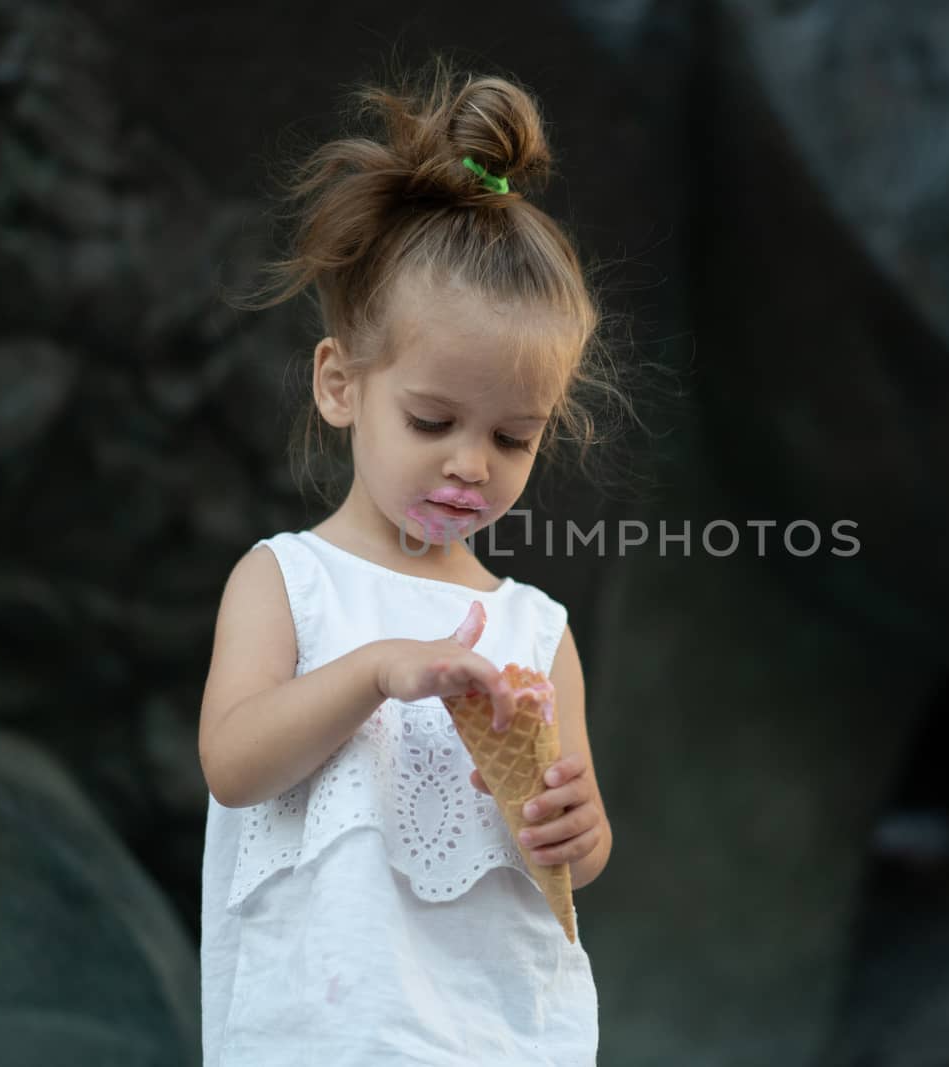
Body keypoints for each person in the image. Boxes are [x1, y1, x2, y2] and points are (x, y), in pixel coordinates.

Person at [196, 63, 627, 1065]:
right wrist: (379, 669)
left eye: (514, 438)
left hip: (500, 1028)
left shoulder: (536, 627)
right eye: (431, 420)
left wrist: (578, 828)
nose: (469, 463)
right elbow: (232, 764)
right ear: (342, 384)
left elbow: (568, 849)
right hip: (326, 1027)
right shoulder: (286, 579)